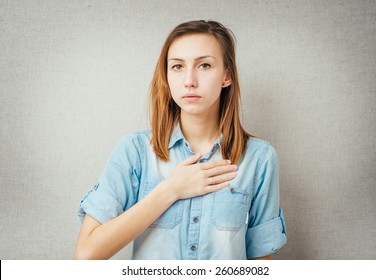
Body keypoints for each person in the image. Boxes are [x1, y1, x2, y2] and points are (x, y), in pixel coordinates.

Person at [74, 20, 287, 260]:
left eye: (204, 65)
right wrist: (170, 190)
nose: (189, 80)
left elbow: (262, 264)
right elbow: (86, 255)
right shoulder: (134, 151)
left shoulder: (260, 158)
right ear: (166, 75)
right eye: (177, 66)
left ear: (227, 76)